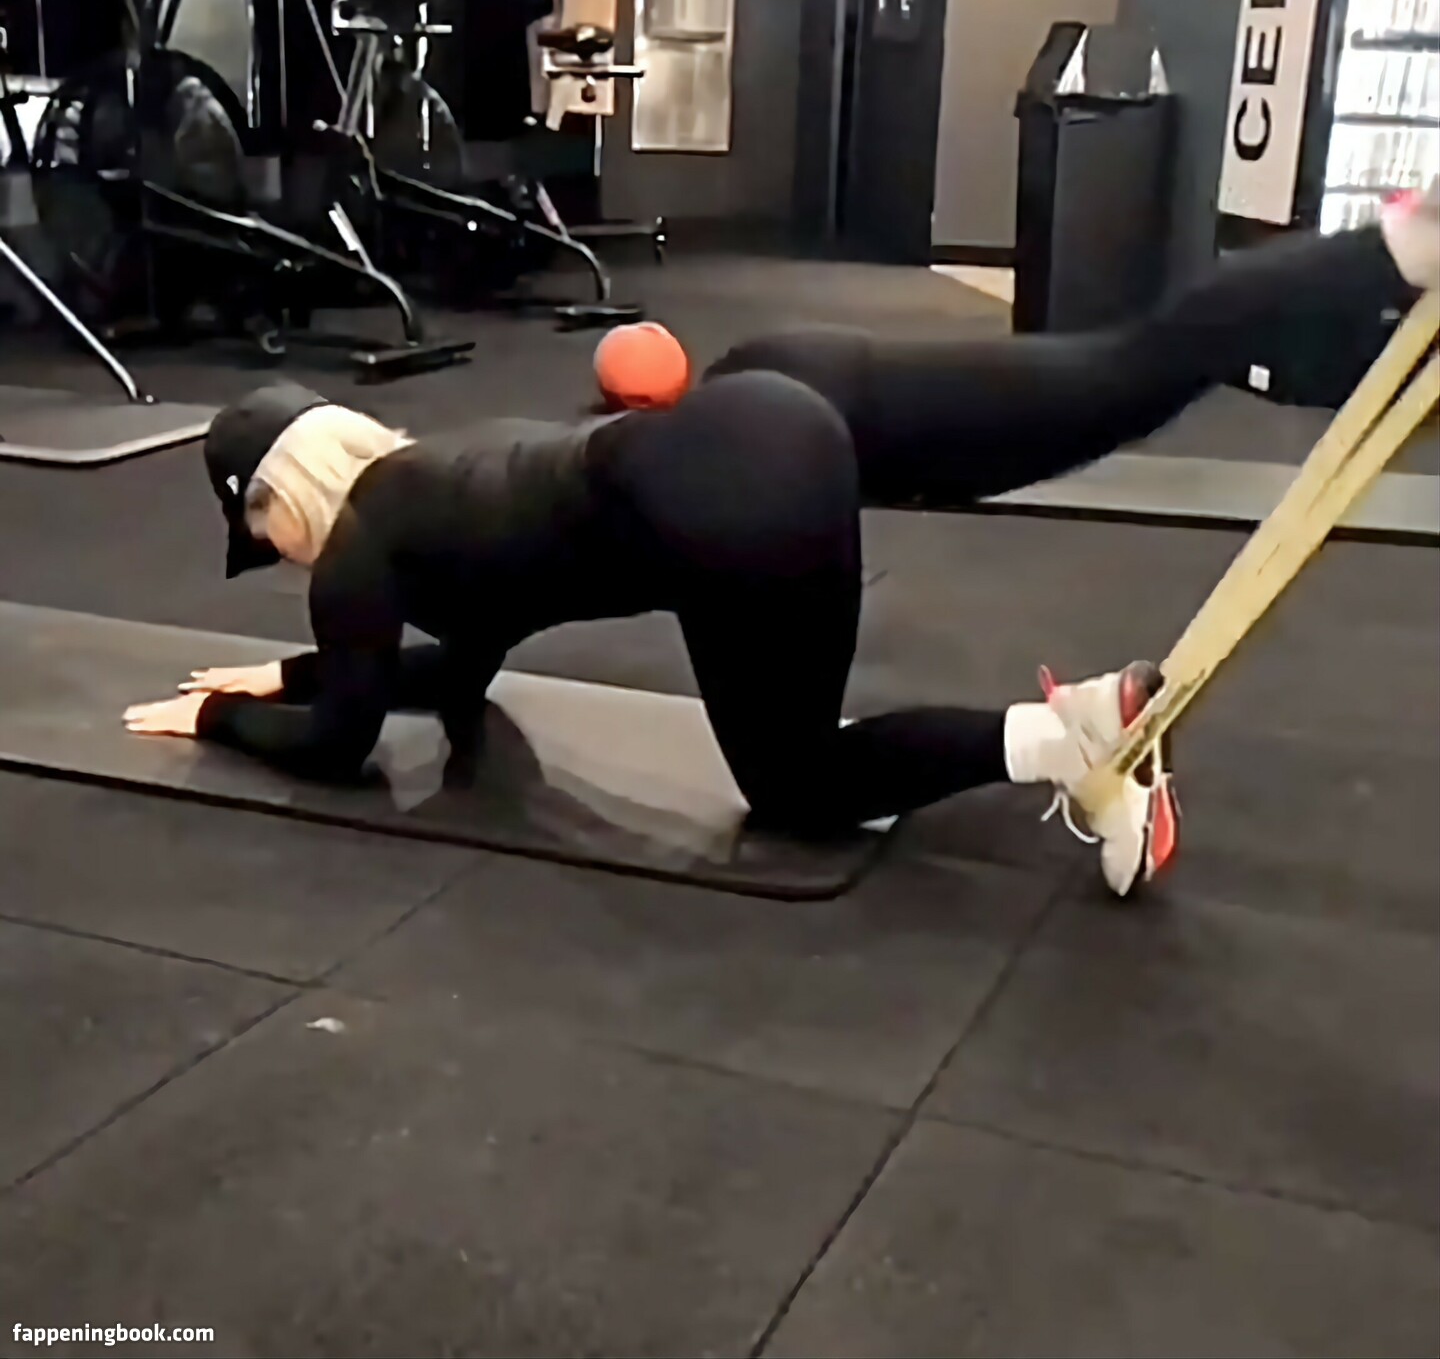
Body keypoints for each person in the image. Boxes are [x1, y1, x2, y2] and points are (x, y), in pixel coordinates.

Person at [124, 192, 1439, 896]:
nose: (278, 554)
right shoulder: (440, 470)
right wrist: (289, 676)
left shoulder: (361, 553)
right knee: (1123, 369)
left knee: (801, 786)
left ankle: (1074, 733)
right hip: (777, 382)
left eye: (260, 531)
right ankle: (1393, 246)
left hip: (738, 479)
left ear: (274, 503)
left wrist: (230, 717)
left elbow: (344, 745)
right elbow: (456, 680)